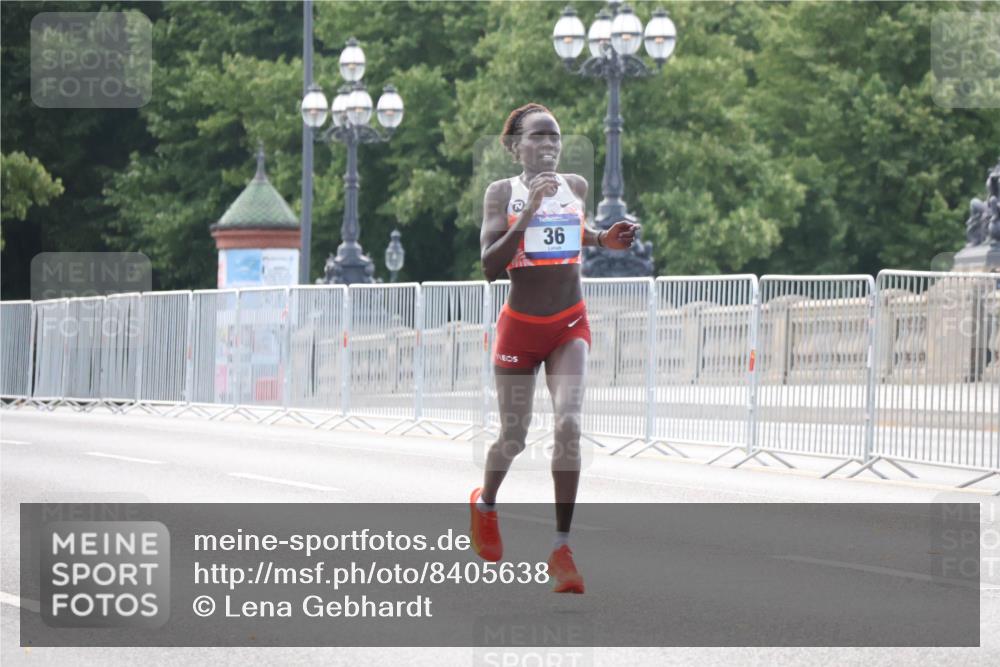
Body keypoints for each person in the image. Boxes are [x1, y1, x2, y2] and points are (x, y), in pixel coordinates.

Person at [469, 103, 640, 594]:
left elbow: (573, 233)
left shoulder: (576, 188)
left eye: (555, 138)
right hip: (520, 329)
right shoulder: (501, 194)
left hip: (569, 324)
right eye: (537, 137)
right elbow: (488, 264)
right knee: (514, 436)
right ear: (514, 145)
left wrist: (603, 238)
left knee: (568, 423)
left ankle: (562, 549)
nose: (548, 145)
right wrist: (524, 219)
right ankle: (485, 505)